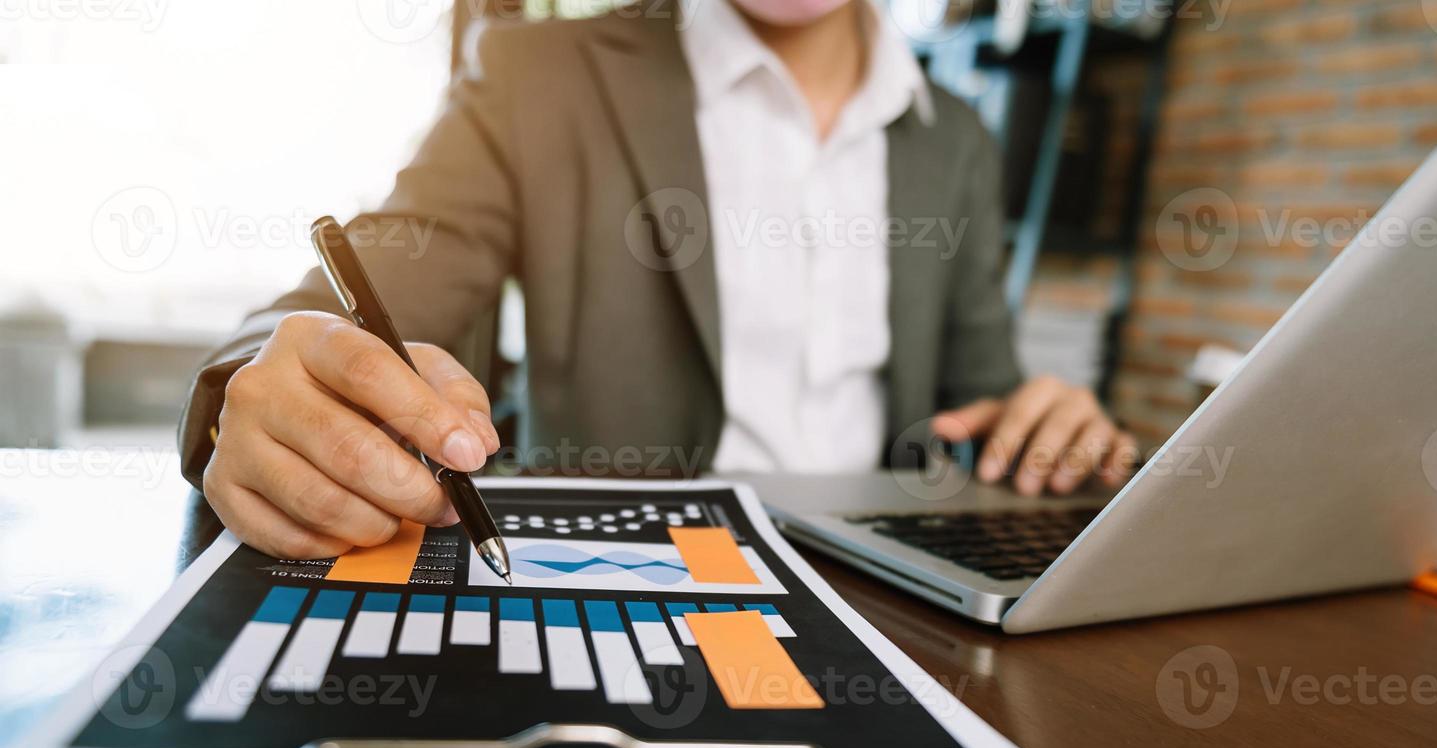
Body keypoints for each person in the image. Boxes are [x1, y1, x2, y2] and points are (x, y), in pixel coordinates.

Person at [178, 0, 1137, 560]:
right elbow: (366, 283)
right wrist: (259, 383)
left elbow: (984, 400)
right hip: (630, 571)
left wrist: (1043, 431)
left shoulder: (958, 137)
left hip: (889, 592)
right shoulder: (540, 76)